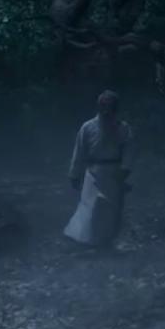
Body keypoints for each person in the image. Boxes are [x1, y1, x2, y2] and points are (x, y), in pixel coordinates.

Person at [64, 90, 134, 248]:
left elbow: (129, 151)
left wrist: (124, 170)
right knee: (90, 208)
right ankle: (86, 241)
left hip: (114, 174)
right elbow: (79, 152)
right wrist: (75, 174)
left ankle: (107, 242)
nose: (107, 110)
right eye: (104, 106)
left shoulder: (123, 128)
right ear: (99, 107)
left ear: (115, 108)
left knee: (111, 210)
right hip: (93, 173)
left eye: (110, 106)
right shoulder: (88, 127)